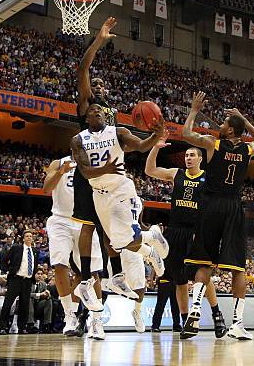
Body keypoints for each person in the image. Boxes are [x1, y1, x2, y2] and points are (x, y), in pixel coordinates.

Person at [180, 92, 254, 340]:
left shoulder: (213, 144)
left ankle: (195, 308)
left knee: (203, 262)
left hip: (210, 206)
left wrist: (194, 110)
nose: (220, 126)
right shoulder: (248, 149)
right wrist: (244, 119)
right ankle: (237, 323)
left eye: (225, 124)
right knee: (237, 268)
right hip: (233, 207)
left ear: (230, 132)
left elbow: (186, 134)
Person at [72, 17, 136, 306]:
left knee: (112, 230)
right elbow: (83, 67)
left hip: (114, 179)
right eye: (94, 83)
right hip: (90, 174)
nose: (97, 86)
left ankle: (118, 276)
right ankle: (86, 279)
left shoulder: (111, 117)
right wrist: (99, 40)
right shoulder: (87, 107)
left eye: (101, 84)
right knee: (88, 225)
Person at [70, 104, 169, 289]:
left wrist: (156, 135)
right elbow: (84, 171)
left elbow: (140, 146)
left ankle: (153, 236)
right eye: (92, 110)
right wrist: (104, 169)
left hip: (121, 190)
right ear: (86, 119)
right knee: (116, 243)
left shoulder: (118, 132)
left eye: (100, 110)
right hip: (99, 195)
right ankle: (151, 245)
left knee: (123, 239)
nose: (97, 111)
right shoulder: (78, 140)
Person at [145, 139, 225, 336]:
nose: (188, 158)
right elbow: (150, 170)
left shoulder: (209, 178)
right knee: (179, 280)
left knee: (202, 275)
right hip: (174, 231)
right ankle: (186, 321)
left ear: (200, 159)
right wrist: (155, 148)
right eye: (187, 155)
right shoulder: (176, 174)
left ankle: (217, 315)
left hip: (197, 231)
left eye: (192, 155)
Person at [43, 155, 104, 338]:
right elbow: (46, 188)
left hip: (85, 220)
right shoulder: (57, 162)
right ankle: (69, 315)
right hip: (61, 219)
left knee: (91, 273)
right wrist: (61, 172)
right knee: (59, 264)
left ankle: (96, 321)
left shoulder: (95, 163)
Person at [0, 231, 38, 334]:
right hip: (15, 279)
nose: (29, 238)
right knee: (8, 303)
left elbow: (34, 265)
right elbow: (4, 260)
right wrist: (9, 271)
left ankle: (22, 327)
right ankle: (2, 326)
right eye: (27, 236)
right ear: (23, 238)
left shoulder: (34, 251)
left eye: (30, 236)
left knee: (25, 305)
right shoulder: (17, 248)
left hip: (28, 280)